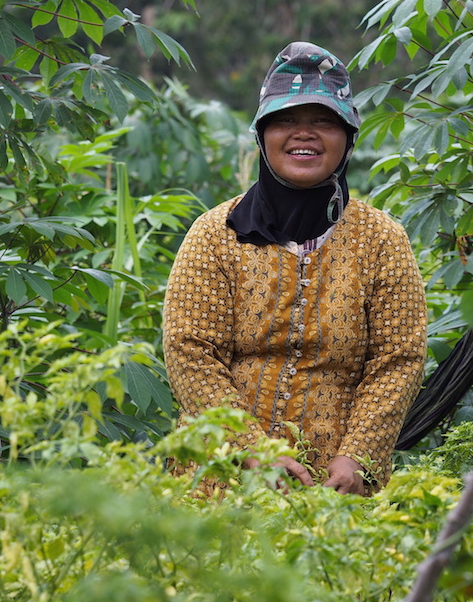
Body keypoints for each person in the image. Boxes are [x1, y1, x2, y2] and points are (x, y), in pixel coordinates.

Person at [162, 41, 428, 497]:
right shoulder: (215, 234)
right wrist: (251, 449)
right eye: (285, 120)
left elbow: (397, 360)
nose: (304, 134)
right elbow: (191, 353)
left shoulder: (382, 239)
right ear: (262, 135)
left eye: (324, 122)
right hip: (220, 476)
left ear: (347, 138)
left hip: (336, 483)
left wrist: (359, 456)